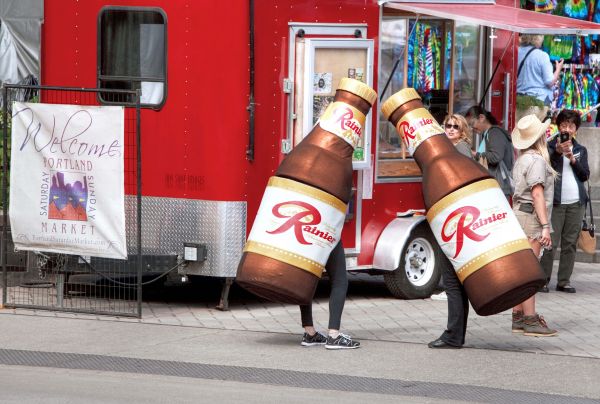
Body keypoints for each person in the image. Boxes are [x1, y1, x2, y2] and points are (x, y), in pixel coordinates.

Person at [428, 114, 473, 350]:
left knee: (453, 283)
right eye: (448, 125)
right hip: (455, 221)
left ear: (463, 130)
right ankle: (456, 334)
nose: (451, 129)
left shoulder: (460, 151)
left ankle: (453, 335)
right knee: (456, 283)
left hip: (456, 222)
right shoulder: (451, 149)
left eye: (456, 126)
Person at [511, 114, 558, 337]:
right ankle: (529, 319)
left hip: (519, 215)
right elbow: (537, 194)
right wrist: (546, 226)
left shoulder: (521, 159)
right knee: (530, 271)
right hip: (531, 218)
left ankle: (518, 316)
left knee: (521, 269)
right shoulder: (537, 160)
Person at [540, 110, 590, 293]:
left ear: (576, 129)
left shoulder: (580, 150)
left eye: (571, 126)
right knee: (550, 242)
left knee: (570, 243)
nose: (567, 129)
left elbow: (585, 175)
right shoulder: (550, 147)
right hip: (555, 202)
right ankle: (543, 279)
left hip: (576, 203)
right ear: (558, 127)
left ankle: (564, 281)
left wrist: (573, 160)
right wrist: (557, 154)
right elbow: (544, 170)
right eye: (563, 125)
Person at [299, 242, 360, 349]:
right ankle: (333, 336)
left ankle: (310, 333)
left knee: (306, 280)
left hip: (305, 233)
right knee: (339, 281)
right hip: (327, 234)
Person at [466, 105, 514, 199]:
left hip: (499, 187)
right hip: (495, 186)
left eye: (472, 124)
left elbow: (496, 157)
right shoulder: (488, 134)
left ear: (481, 118)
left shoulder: (495, 133)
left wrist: (475, 154)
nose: (472, 128)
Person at [516, 34, 564, 120]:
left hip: (519, 101)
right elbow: (549, 82)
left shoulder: (516, 52)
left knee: (520, 131)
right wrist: (558, 69)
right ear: (538, 38)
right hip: (537, 102)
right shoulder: (542, 55)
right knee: (535, 131)